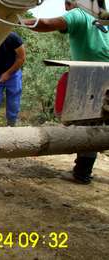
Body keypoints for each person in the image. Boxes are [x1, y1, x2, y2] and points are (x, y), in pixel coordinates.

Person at [24, 0, 109, 184]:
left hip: (94, 77)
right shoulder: (104, 19)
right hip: (106, 72)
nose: (65, 7)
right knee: (98, 125)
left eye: (67, 3)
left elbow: (47, 24)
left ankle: (81, 173)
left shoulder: (79, 13)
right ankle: (83, 171)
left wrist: (17, 21)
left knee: (88, 126)